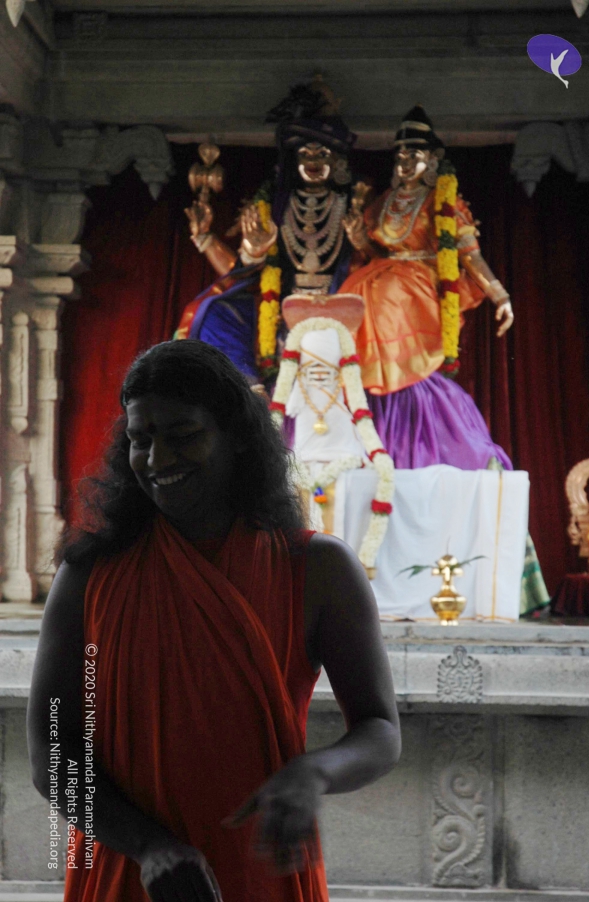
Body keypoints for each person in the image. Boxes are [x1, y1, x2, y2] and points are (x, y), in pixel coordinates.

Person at [27, 339, 401, 902]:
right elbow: (52, 753)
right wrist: (150, 847)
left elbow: (380, 729)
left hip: (260, 867)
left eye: (182, 436)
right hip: (133, 869)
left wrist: (314, 772)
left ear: (238, 437)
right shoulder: (89, 575)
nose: (157, 460)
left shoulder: (317, 567)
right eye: (141, 440)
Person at [340, 105, 514, 470]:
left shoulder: (443, 201)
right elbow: (378, 251)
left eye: (414, 155)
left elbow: (470, 255)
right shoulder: (384, 201)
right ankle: (372, 385)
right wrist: (361, 242)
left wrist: (500, 295)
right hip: (382, 276)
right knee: (353, 297)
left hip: (420, 284)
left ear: (433, 159)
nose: (405, 163)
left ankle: (396, 384)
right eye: (400, 156)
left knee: (387, 294)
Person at [175, 78, 357, 382]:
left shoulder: (353, 205)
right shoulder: (274, 207)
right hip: (282, 305)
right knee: (215, 312)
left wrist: (362, 242)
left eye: (322, 154)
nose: (313, 161)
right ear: (294, 160)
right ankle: (250, 393)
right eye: (305, 154)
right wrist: (243, 248)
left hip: (340, 302)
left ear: (337, 161)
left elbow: (370, 263)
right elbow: (240, 275)